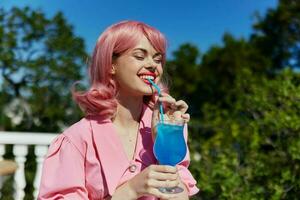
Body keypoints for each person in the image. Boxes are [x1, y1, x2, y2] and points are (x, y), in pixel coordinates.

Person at [38, 20, 199, 200]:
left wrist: (162, 143)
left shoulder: (168, 127)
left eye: (158, 59)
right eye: (139, 56)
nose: (153, 65)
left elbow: (181, 192)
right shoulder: (77, 139)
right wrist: (129, 191)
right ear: (110, 65)